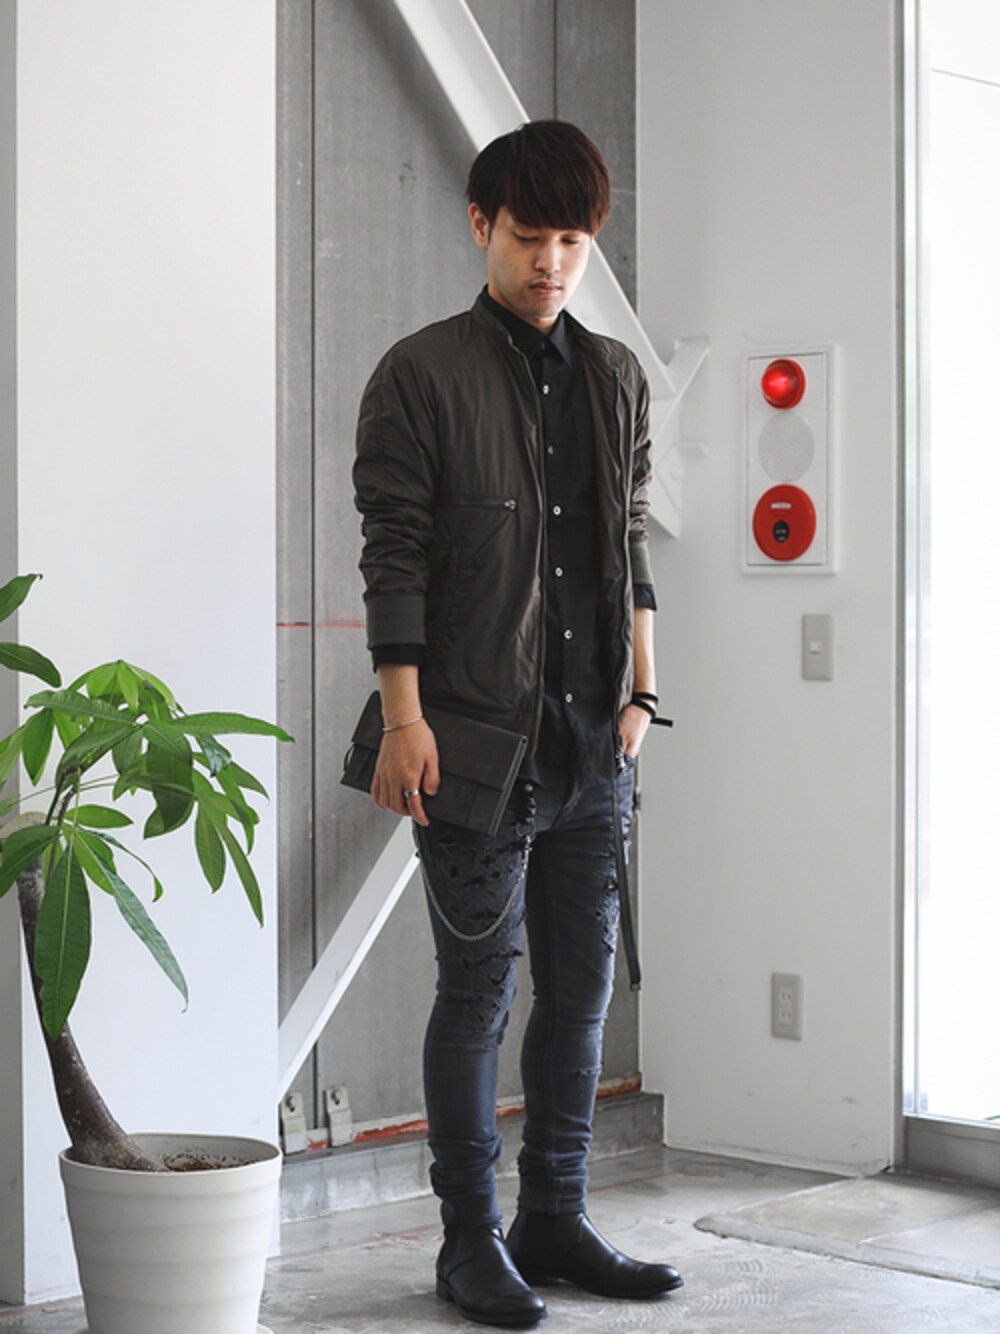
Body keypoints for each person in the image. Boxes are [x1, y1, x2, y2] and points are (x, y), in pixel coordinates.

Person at [353, 120, 682, 1328]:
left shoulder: (616, 377)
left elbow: (627, 543)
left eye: (573, 242)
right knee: (476, 992)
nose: (551, 262)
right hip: (472, 742)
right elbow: (394, 559)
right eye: (530, 236)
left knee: (581, 990)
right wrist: (403, 719)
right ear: (479, 225)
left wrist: (641, 692)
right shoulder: (419, 374)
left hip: (595, 742)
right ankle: (467, 1238)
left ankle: (554, 1215)